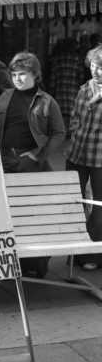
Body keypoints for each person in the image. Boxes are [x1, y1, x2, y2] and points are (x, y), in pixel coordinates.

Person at [0, 52, 65, 278]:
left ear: (35, 75)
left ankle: (39, 262)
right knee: (11, 216)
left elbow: (59, 133)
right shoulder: (5, 96)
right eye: (14, 74)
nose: (18, 78)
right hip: (5, 160)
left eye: (23, 74)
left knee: (34, 215)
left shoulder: (46, 101)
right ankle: (17, 263)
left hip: (31, 163)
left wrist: (38, 155)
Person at [66, 46, 102, 270]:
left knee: (98, 203)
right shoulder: (83, 89)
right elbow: (75, 118)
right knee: (74, 200)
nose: (97, 71)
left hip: (100, 157)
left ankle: (92, 253)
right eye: (94, 66)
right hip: (76, 154)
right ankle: (75, 248)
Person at [48, 38, 85, 130]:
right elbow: (81, 79)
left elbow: (53, 79)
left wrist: (50, 94)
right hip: (73, 95)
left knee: (60, 117)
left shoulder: (57, 59)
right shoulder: (78, 60)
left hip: (60, 95)